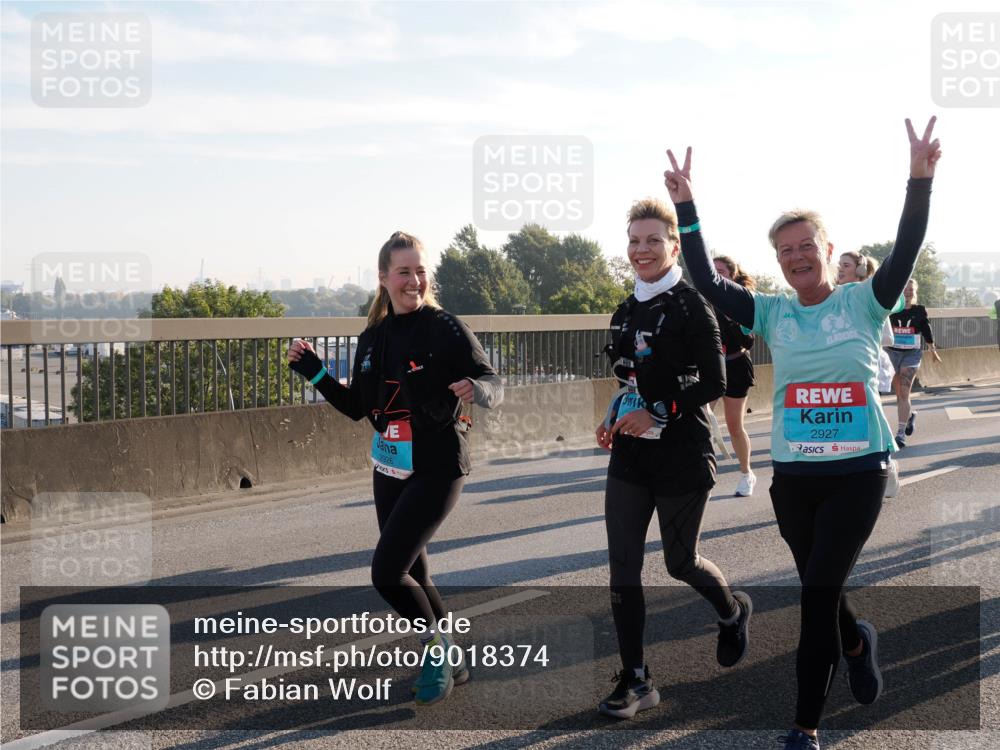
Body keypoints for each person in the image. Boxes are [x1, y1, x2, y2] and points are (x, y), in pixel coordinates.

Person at [664, 116, 940, 749]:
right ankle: (856, 640)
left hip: (857, 472)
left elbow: (908, 245)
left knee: (815, 593)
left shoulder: (866, 300)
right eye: (784, 250)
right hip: (795, 478)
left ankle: (804, 726)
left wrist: (919, 179)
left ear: (826, 247)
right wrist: (687, 207)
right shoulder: (772, 311)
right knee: (825, 582)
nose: (795, 258)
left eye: (805, 246)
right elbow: (705, 282)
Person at [287, 230, 503, 705]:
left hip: (439, 462)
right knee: (415, 574)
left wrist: (475, 387)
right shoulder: (373, 338)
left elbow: (492, 382)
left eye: (421, 271)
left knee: (386, 573)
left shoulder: (445, 328)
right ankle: (453, 658)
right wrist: (316, 372)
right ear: (384, 278)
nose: (414, 280)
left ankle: (436, 650)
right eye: (404, 272)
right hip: (389, 465)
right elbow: (355, 406)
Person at [594, 198, 752, 719]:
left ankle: (731, 611)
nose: (642, 250)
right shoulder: (625, 309)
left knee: (679, 562)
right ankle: (637, 679)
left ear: (672, 245)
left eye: (652, 240)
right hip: (633, 455)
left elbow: (716, 381)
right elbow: (630, 379)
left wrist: (658, 410)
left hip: (684, 452)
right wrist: (617, 411)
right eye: (634, 240)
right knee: (622, 568)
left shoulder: (692, 305)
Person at [837, 252, 901, 498]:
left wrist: (857, 336)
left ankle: (887, 461)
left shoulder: (871, 297)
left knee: (870, 418)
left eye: (846, 265)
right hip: (838, 369)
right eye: (839, 264)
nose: (840, 269)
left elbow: (888, 337)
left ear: (861, 270)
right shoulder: (831, 295)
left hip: (867, 367)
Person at [710, 254, 757, 496]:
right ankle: (702, 473)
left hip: (736, 365)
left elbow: (748, 341)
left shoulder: (740, 301)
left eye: (722, 271)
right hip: (711, 367)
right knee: (701, 420)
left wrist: (730, 317)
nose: (717, 275)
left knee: (733, 425)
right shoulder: (703, 299)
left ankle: (746, 473)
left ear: (732, 276)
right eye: (713, 271)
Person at [888, 277, 941, 447]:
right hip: (891, 353)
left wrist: (933, 350)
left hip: (911, 355)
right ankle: (909, 417)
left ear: (915, 292)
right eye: (905, 289)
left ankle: (900, 433)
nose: (908, 292)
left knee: (904, 393)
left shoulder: (919, 310)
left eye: (911, 290)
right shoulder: (890, 309)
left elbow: (926, 329)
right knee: (899, 395)